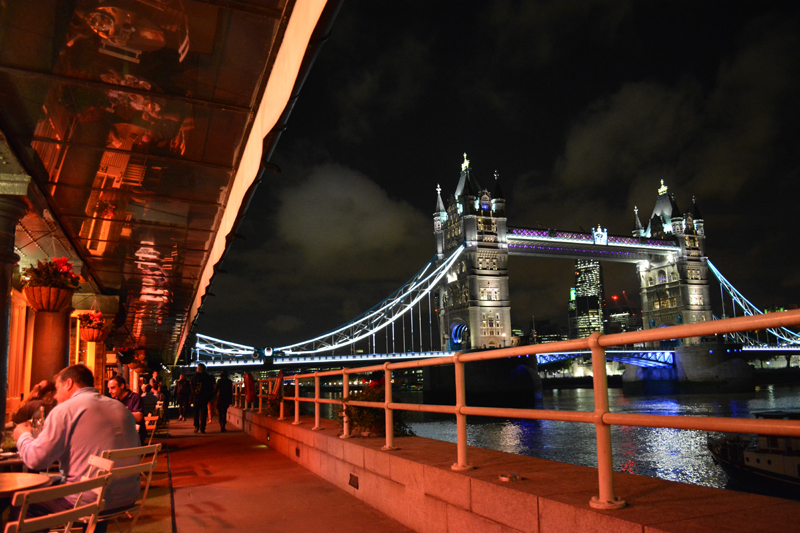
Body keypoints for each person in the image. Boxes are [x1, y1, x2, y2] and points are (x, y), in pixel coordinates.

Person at [13, 364, 140, 517]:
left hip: (88, 500)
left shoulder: (65, 410)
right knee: (54, 481)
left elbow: (36, 460)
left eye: (57, 388)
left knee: (23, 500)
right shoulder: (121, 408)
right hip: (128, 495)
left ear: (69, 383)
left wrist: (22, 436)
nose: (55, 395)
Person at [107, 375, 147, 445]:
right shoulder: (115, 401)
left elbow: (139, 417)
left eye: (113, 388)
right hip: (121, 434)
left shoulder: (135, 397)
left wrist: (119, 414)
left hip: (135, 434)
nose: (110, 391)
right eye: (109, 388)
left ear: (122, 386)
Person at [190, 364, 215, 433]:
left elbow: (192, 386)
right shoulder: (207, 377)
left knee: (196, 412)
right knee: (204, 412)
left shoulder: (195, 377)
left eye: (197, 368)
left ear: (200, 369)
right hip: (204, 397)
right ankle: (203, 428)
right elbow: (210, 387)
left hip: (197, 397)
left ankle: (196, 426)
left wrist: (192, 395)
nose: (196, 369)